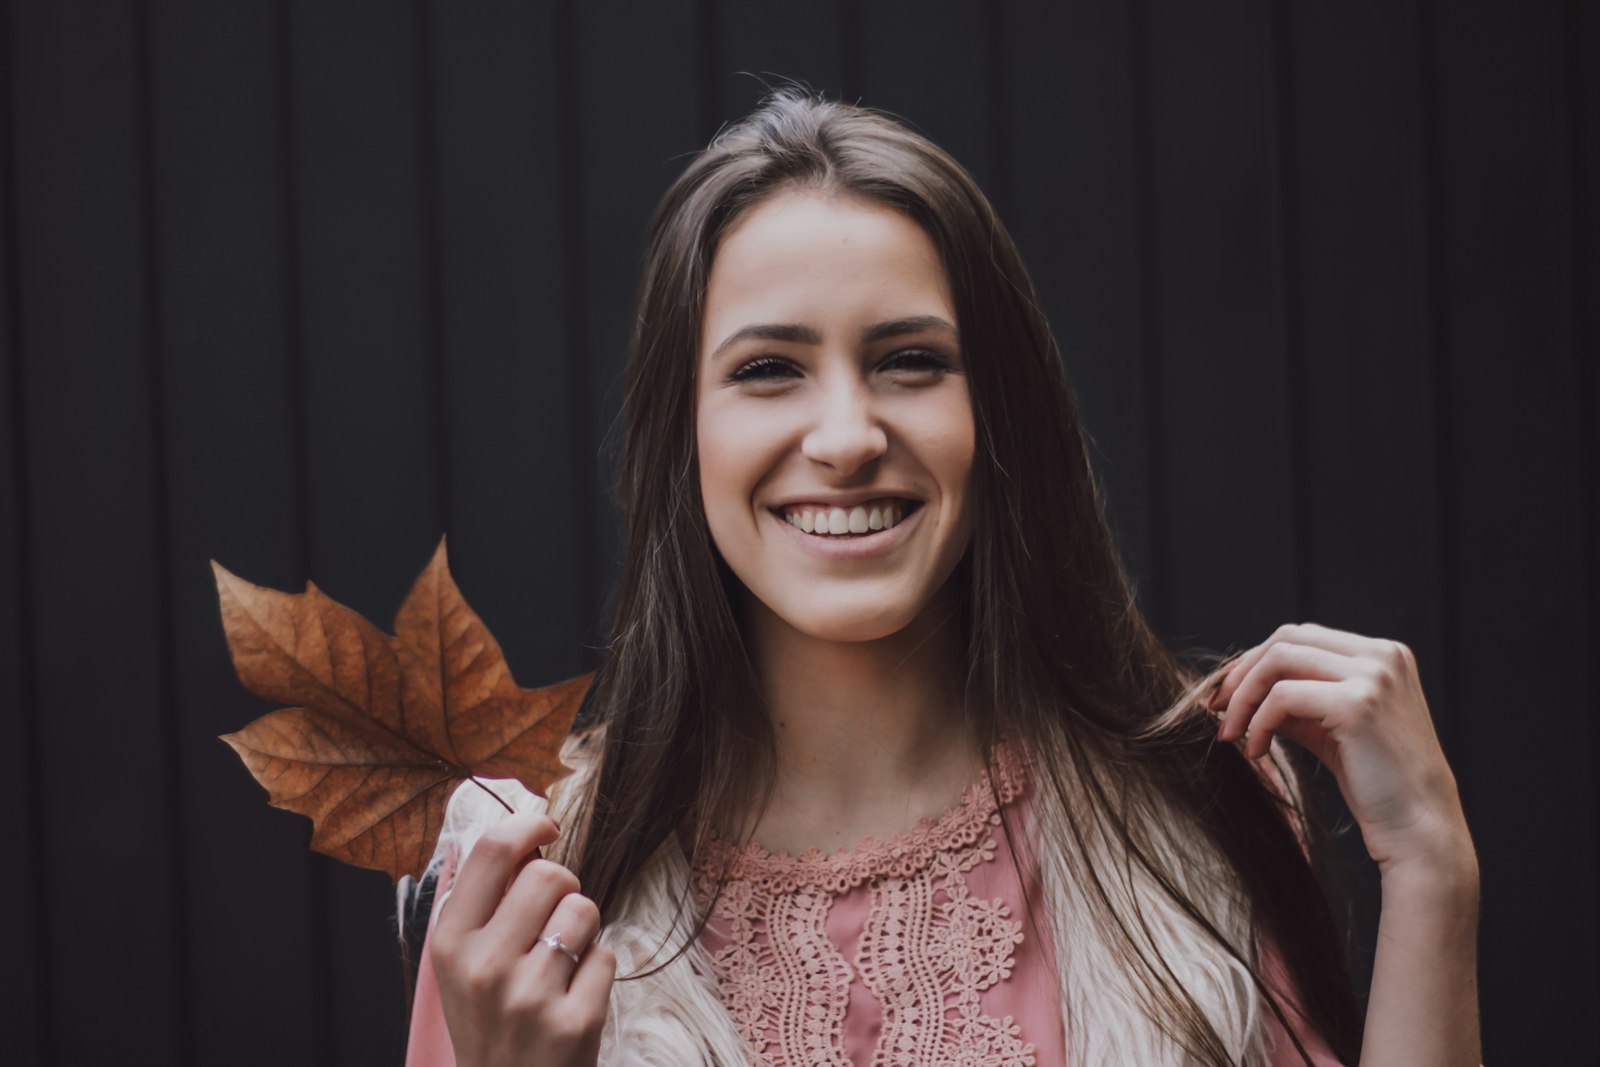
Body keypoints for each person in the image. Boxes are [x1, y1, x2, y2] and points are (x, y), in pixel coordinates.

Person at [401, 89, 1481, 1066]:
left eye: (909, 360)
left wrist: (1432, 871)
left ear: (996, 414)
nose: (845, 435)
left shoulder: (1201, 811)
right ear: (681, 439)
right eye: (768, 369)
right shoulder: (530, 894)